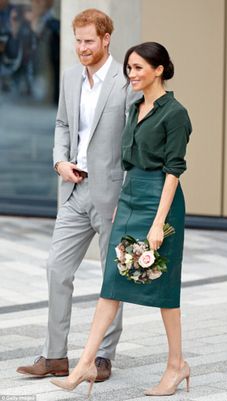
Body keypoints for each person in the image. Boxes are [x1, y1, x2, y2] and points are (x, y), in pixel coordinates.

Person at [50, 41, 192, 397]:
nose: (131, 74)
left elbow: (174, 170)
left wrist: (159, 223)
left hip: (160, 201)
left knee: (164, 289)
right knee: (111, 283)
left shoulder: (174, 113)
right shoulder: (135, 107)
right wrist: (120, 203)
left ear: (159, 69)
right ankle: (85, 363)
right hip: (129, 200)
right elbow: (126, 161)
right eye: (129, 68)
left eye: (139, 68)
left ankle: (177, 365)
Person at [16, 8, 136, 382]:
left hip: (112, 195)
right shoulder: (70, 78)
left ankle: (103, 356)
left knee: (111, 278)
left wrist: (128, 198)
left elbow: (134, 143)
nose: (82, 48)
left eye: (88, 41)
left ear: (106, 39)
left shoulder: (125, 81)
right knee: (56, 270)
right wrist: (59, 162)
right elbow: (63, 124)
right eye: (78, 41)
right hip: (73, 191)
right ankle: (55, 356)